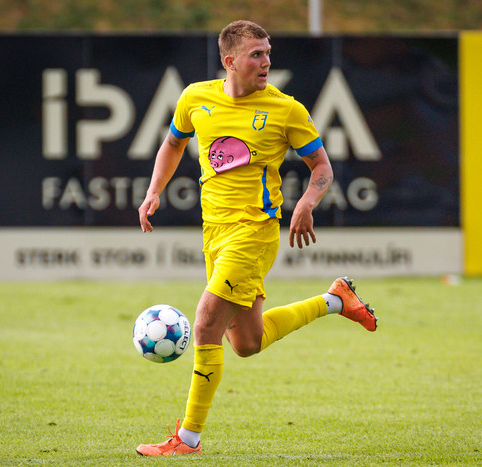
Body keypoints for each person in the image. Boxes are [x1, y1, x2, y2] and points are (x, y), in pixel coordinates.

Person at [136, 20, 377, 457]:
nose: (266, 62)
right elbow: (172, 144)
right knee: (246, 343)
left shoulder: (286, 110)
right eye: (256, 55)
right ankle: (336, 299)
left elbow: (322, 167)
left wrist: (306, 203)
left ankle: (187, 439)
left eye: (268, 53)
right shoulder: (195, 98)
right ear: (230, 61)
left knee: (206, 322)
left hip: (255, 232)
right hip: (214, 232)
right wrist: (154, 190)